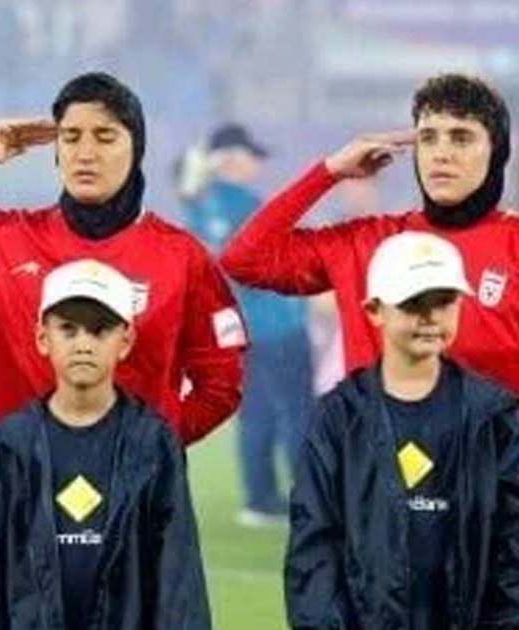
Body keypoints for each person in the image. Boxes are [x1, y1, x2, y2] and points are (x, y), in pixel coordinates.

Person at [0, 71, 246, 446]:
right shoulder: (0, 240)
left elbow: (221, 385)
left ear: (137, 149)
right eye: (71, 137)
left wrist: (153, 447)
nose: (85, 154)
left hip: (136, 489)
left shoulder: (181, 257)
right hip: (14, 487)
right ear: (57, 152)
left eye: (105, 137)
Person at [0, 259, 211, 629]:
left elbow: (179, 581)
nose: (83, 344)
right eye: (68, 329)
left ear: (126, 341)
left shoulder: (153, 442)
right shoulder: (11, 442)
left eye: (100, 330)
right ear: (43, 338)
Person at [221, 73, 519, 395]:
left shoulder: (513, 243)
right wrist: (329, 172)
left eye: (461, 138)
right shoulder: (367, 242)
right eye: (428, 138)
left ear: (496, 151)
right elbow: (244, 260)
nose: (441, 153)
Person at [285, 231, 519, 628]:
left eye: (443, 301)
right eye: (413, 303)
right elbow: (315, 550)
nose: (430, 317)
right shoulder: (338, 418)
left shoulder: (495, 416)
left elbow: (513, 547)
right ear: (374, 309)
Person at [180, 123, 312, 525]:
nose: (256, 163)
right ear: (231, 159)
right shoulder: (249, 206)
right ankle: (309, 498)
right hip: (278, 324)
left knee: (256, 413)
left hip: (241, 329)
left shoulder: (200, 207)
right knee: (298, 413)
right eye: (251, 155)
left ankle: (259, 499)